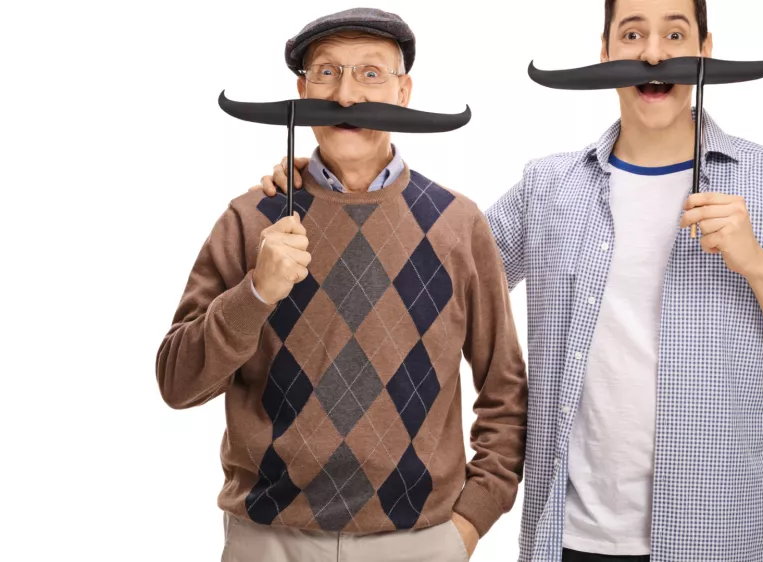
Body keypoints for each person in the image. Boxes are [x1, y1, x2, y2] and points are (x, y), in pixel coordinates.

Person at [252, 1, 763, 561]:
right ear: (605, 51)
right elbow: (427, 274)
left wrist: (755, 260)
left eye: (674, 34)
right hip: (565, 537)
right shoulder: (549, 189)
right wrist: (333, 179)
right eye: (633, 33)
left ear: (704, 48)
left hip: (716, 534)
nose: (652, 53)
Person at [156, 8, 527, 561]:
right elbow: (177, 382)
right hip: (268, 540)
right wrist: (255, 293)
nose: (346, 95)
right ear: (301, 89)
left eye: (370, 73)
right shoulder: (251, 217)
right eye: (326, 73)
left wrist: (468, 524)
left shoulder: (458, 223)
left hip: (418, 542)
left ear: (404, 91)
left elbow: (504, 390)